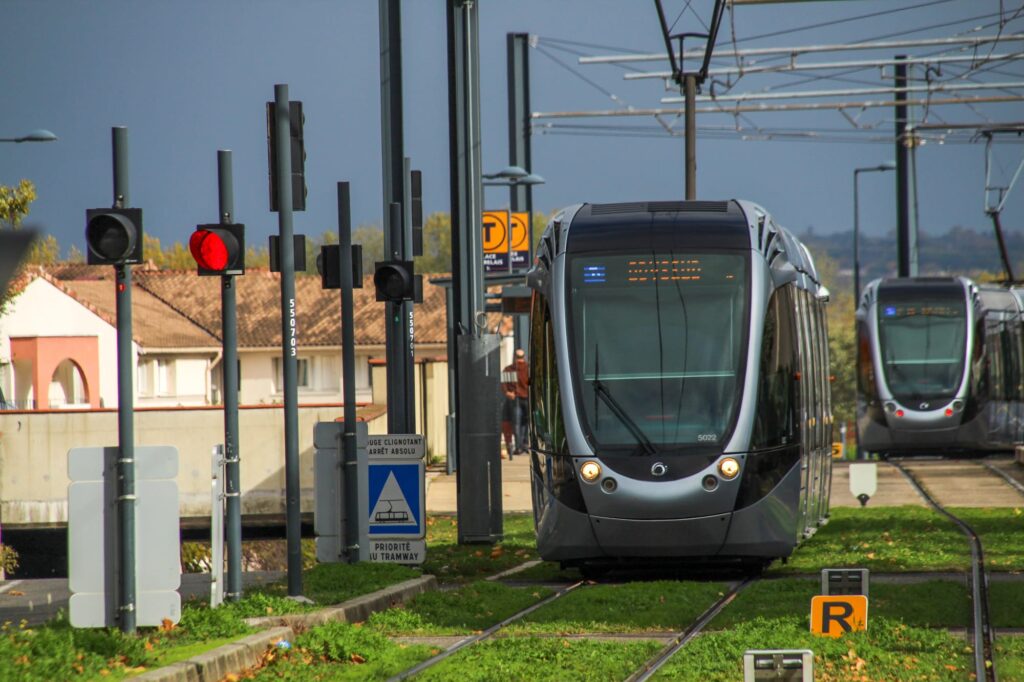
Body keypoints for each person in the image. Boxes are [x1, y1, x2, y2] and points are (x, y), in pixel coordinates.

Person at [502, 348, 530, 456]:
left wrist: (507, 392)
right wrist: (507, 392)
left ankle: (520, 447)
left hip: (519, 398)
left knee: (518, 423)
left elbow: (503, 384)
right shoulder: (526, 368)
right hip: (521, 398)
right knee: (523, 423)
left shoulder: (510, 369)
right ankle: (523, 445)